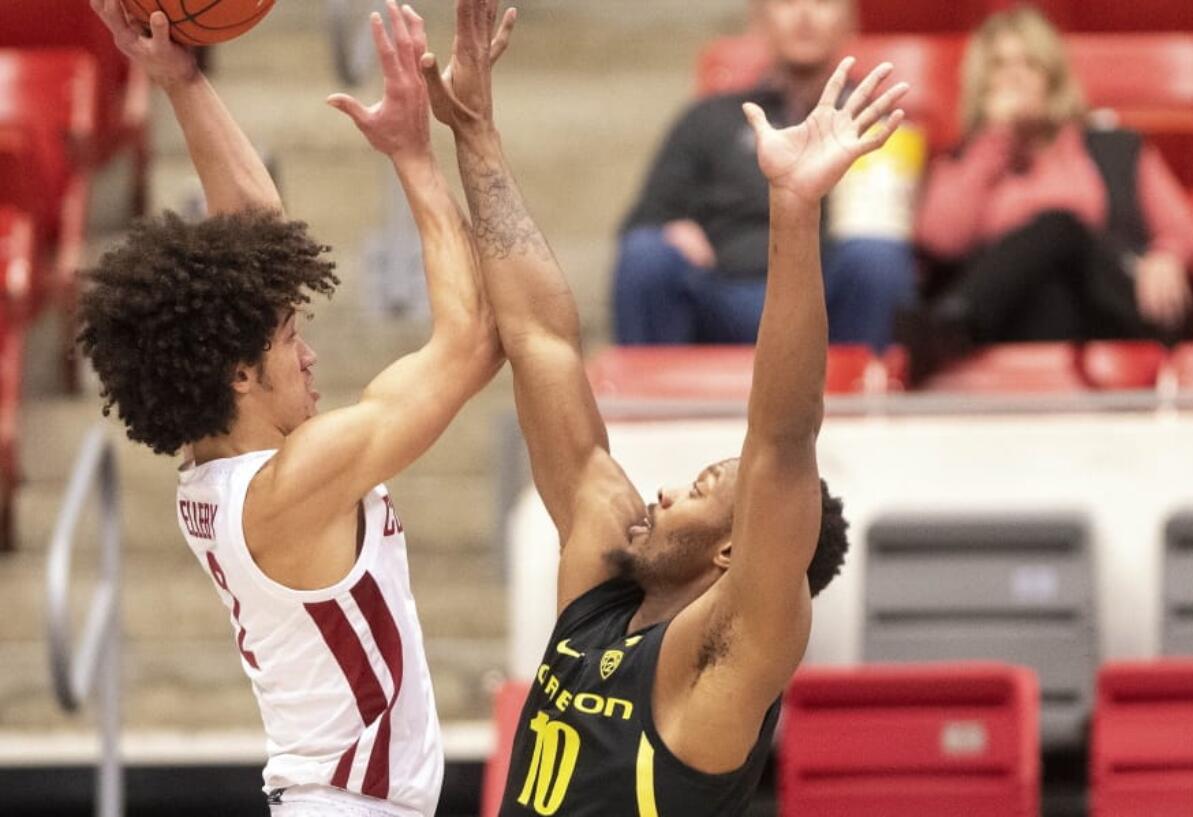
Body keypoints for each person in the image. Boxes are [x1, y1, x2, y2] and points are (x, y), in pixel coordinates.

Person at [418, 1, 905, 812]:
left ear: (732, 553)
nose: (669, 489)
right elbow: (540, 338)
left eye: (705, 490)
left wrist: (794, 209)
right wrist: (473, 134)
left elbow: (783, 437)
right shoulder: (602, 589)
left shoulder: (724, 658)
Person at [79, 2, 504, 815]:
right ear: (240, 373)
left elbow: (256, 233)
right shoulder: (295, 482)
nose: (308, 353)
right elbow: (475, 342)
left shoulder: (214, 468)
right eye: (287, 337)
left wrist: (180, 80)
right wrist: (416, 156)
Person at [906, 5, 1193, 381]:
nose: (1014, 77)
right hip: (1018, 323)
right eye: (1000, 67)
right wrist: (996, 139)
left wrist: (1169, 255)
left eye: (1028, 64)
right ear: (982, 84)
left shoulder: (1113, 147)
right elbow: (942, 240)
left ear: (1052, 77)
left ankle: (951, 324)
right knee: (1048, 293)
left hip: (1117, 307)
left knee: (1059, 225)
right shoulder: (966, 160)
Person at [613, 0, 917, 349]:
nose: (805, 14)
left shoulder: (877, 121)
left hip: (829, 296)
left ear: (849, 21)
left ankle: (859, 397)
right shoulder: (710, 117)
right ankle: (652, 400)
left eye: (822, 2)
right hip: (723, 292)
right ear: (758, 20)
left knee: (877, 256)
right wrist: (672, 230)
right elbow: (645, 219)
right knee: (647, 253)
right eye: (787, 2)